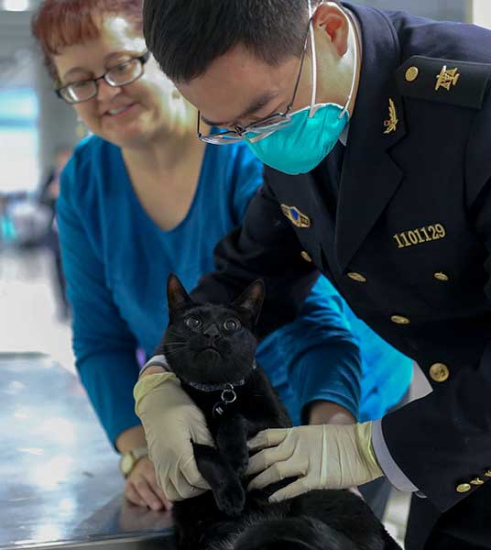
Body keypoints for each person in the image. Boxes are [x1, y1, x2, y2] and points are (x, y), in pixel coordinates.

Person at [31, 0, 413, 519]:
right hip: (213, 414)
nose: (106, 93)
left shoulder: (252, 139)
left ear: (170, 56)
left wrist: (331, 434)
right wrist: (141, 448)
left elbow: (313, 324)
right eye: (80, 82)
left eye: (121, 66)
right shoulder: (85, 183)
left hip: (323, 398)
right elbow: (100, 339)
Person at [137, 0, 491, 548]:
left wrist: (368, 448)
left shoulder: (472, 108)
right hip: (454, 453)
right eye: (228, 128)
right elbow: (251, 274)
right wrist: (161, 377)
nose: (257, 140)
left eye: (264, 114)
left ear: (327, 30)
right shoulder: (303, 116)